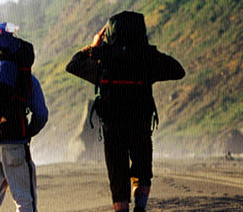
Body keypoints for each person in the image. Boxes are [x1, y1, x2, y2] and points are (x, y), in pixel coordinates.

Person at [65, 11, 185, 212]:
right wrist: (148, 51)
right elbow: (178, 70)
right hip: (140, 124)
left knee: (118, 177)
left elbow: (73, 65)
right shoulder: (147, 59)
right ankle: (140, 207)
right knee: (142, 171)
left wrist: (94, 47)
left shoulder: (103, 61)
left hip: (113, 128)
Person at [0, 21, 49, 212]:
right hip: (15, 141)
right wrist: (28, 132)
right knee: (24, 199)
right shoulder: (25, 76)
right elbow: (41, 115)